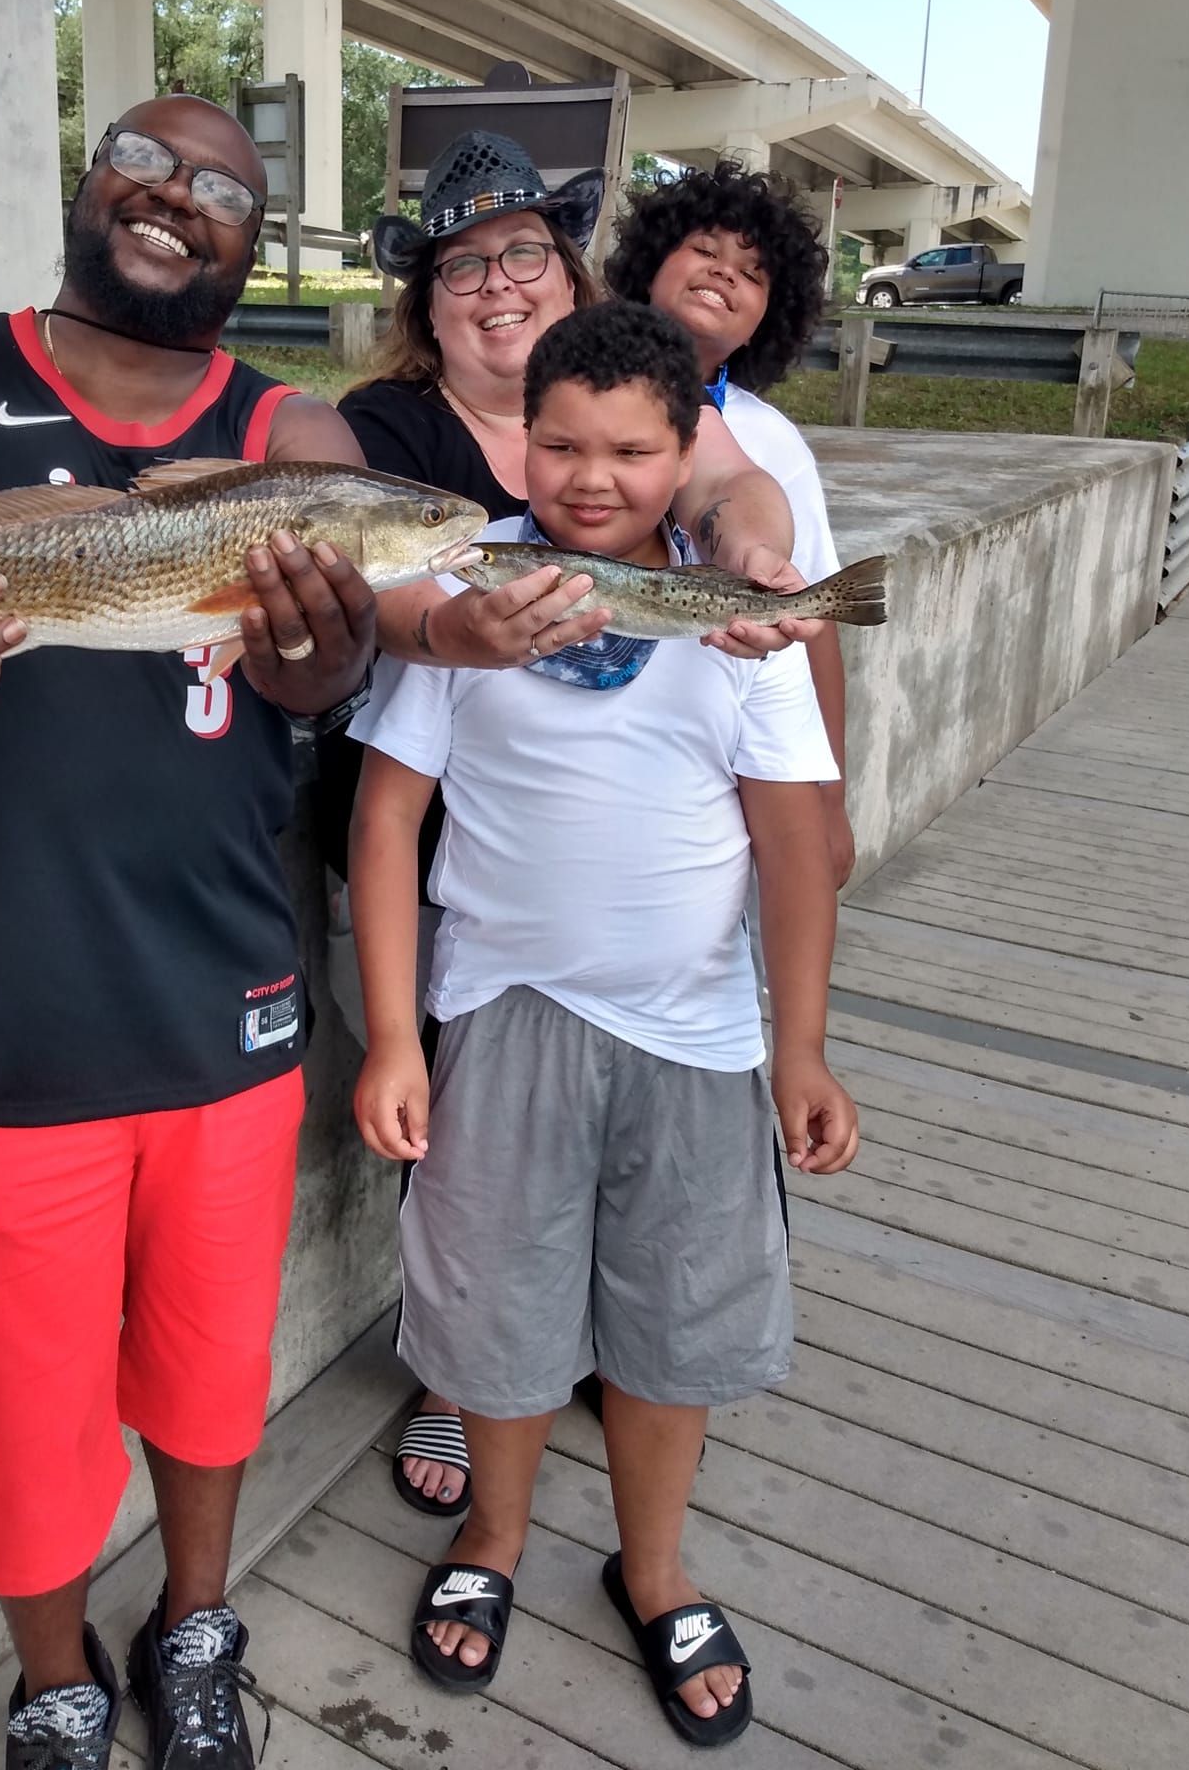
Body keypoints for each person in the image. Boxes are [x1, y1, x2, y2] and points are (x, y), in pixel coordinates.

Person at [0, 95, 378, 1770]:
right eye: (146, 154)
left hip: (228, 998)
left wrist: (322, 657)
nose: (175, 195)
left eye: (222, 190)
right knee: (9, 1411)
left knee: (207, 1373)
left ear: (249, 249)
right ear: (86, 173)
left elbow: (322, 672)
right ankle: (56, 1675)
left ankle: (197, 1617)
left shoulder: (296, 429)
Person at [346, 300, 859, 1749]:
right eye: (560, 443)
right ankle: (494, 1539)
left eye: (633, 450)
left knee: (670, 1323)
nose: (591, 477)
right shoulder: (467, 597)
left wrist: (801, 1047)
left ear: (689, 448)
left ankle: (654, 1566)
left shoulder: (737, 616)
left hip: (697, 1038)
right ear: (523, 443)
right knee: (497, 1310)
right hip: (501, 1017)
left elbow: (792, 846)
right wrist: (394, 1033)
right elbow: (389, 823)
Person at [314, 129, 820, 1516]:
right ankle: (466, 1399)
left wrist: (752, 556)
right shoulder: (379, 432)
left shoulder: (632, 388)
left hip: (670, 949)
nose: (492, 281)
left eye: (521, 249)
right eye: (458, 263)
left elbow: (735, 491)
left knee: (653, 1245)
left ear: (569, 263)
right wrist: (458, 627)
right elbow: (365, 609)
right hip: (465, 881)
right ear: (424, 301)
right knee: (487, 1219)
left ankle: (628, 1469)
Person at [608, 160, 856, 885]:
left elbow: (820, 616)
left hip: (729, 761)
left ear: (769, 315)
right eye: (705, 250)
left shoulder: (774, 441)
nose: (723, 274)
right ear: (650, 262)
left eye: (751, 272)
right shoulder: (574, 393)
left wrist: (831, 795)